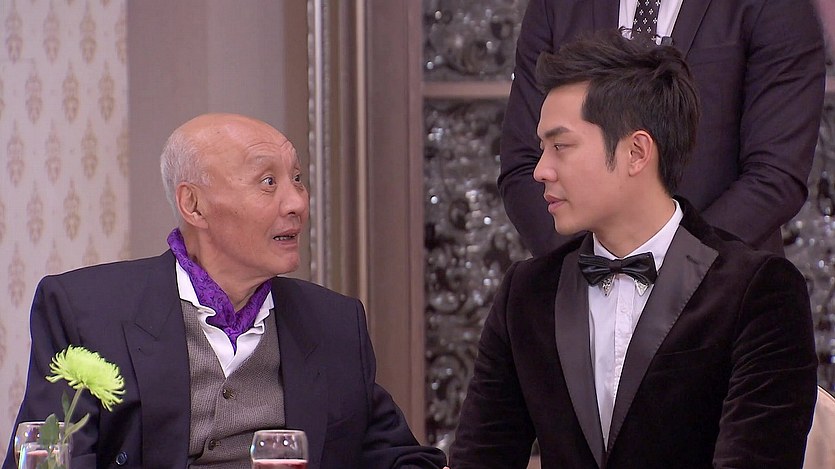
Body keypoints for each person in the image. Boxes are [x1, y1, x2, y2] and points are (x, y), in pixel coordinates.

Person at [450, 31, 817, 468]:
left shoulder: (757, 291)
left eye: (561, 146)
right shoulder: (527, 294)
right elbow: (481, 456)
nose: (541, 170)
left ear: (636, 152)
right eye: (541, 149)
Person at [3, 113, 447, 469]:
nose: (297, 203)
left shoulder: (333, 322)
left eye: (297, 179)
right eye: (268, 182)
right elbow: (49, 456)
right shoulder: (87, 310)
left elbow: (395, 455)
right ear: (193, 205)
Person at [500, 0, 826, 257]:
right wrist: (590, 268)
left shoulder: (776, 6)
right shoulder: (555, 6)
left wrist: (672, 266)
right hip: (577, 293)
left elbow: (775, 174)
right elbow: (523, 162)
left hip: (725, 291)